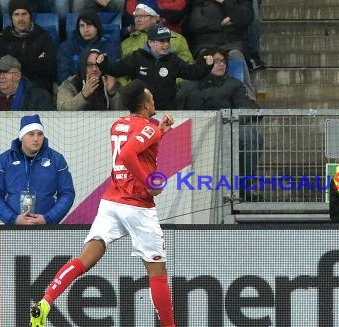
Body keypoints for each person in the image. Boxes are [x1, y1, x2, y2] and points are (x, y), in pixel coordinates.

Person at [29, 79, 201, 327]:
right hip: (137, 206)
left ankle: (46, 301)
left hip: (110, 201)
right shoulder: (146, 127)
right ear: (145, 104)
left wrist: (161, 132)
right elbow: (131, 153)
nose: (154, 101)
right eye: (152, 97)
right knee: (157, 270)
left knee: (86, 258)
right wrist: (148, 182)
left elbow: (134, 144)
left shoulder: (119, 125)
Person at [176, 48, 264, 201]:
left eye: (223, 61)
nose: (221, 65)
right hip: (194, 131)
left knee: (249, 135)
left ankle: (246, 186)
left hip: (226, 130)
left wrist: (229, 120)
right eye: (216, 61)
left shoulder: (234, 85)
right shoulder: (187, 88)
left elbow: (248, 108)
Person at [97, 23, 213, 110]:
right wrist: (103, 64)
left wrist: (206, 65)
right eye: (162, 41)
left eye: (167, 41)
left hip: (167, 114)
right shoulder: (137, 57)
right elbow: (116, 69)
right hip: (142, 114)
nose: (166, 44)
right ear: (151, 42)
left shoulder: (173, 60)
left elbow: (192, 73)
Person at [0, 114, 75, 225]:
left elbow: (67, 193)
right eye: (31, 134)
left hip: (46, 228)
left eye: (40, 134)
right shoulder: (3, 160)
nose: (36, 139)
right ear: (21, 137)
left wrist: (48, 219)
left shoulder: (57, 159)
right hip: (13, 228)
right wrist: (13, 219)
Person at [184, 0, 256, 100]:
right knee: (206, 57)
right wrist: (220, 23)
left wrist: (224, 2)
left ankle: (248, 100)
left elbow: (245, 18)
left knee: (235, 54)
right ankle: (203, 100)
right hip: (206, 44)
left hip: (233, 42)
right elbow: (195, 23)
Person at [0, 0, 56, 94]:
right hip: (9, 89)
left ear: (30, 16)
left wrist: (13, 63)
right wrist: (34, 62)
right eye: (16, 14)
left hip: (37, 89)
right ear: (11, 18)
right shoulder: (3, 39)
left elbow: (48, 68)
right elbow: (0, 68)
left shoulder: (43, 36)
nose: (21, 18)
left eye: (24, 13)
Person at [57, 9, 121, 84]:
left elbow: (113, 74)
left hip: (103, 89)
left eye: (89, 25)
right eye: (82, 26)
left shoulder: (111, 47)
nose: (85, 30)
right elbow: (63, 76)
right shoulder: (66, 47)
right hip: (75, 90)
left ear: (97, 26)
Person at [121, 0, 194, 64]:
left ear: (156, 18)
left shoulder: (177, 39)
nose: (138, 20)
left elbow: (188, 67)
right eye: (136, 16)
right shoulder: (126, 43)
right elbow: (121, 72)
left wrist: (171, 79)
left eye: (142, 16)